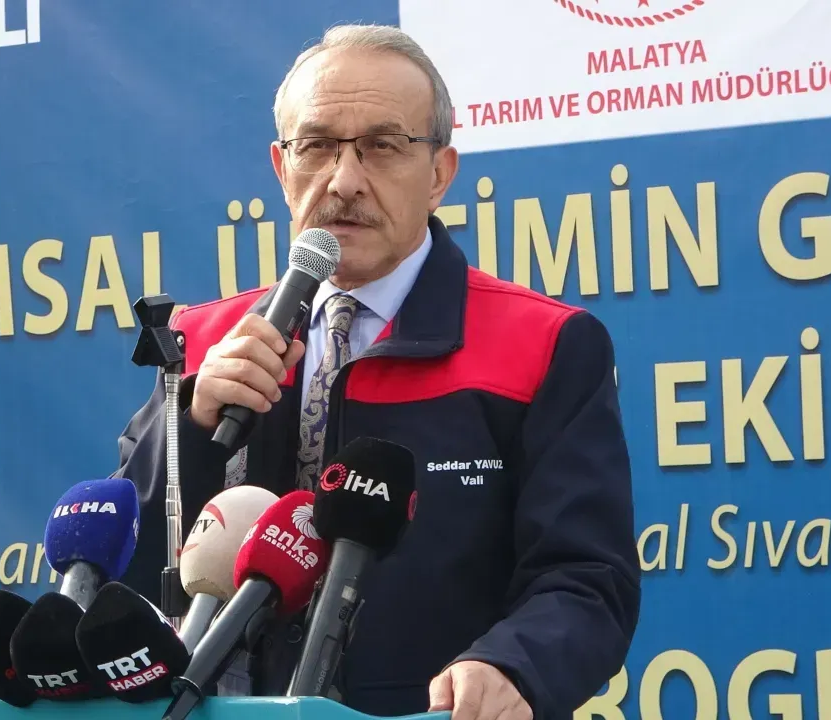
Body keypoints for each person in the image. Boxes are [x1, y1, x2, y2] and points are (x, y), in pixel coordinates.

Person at [114, 23, 641, 720]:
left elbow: (586, 579)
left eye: (383, 147)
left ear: (440, 174)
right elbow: (125, 564)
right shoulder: (203, 342)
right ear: (281, 168)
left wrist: (512, 665)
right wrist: (191, 424)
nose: (344, 181)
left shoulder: (545, 343)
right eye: (317, 147)